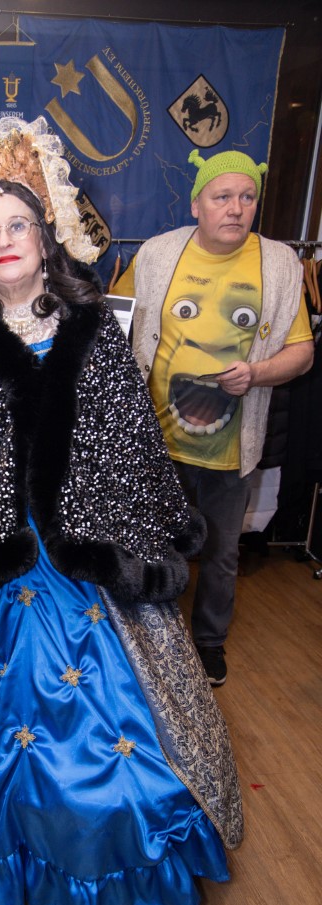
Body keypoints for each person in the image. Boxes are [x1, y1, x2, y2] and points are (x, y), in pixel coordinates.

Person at [0, 117, 243, 905]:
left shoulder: (94, 330)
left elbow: (130, 444)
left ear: (45, 240)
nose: (5, 239)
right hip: (12, 563)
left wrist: (144, 541)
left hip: (87, 553)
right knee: (17, 729)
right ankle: (44, 871)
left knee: (125, 731)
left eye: (18, 225)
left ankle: (127, 872)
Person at [114, 150, 313, 686]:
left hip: (231, 445)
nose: (236, 208)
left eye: (247, 197)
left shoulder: (280, 265)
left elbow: (303, 352)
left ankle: (208, 645)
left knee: (222, 553)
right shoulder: (157, 254)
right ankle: (147, 643)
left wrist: (258, 373)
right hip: (155, 439)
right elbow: (115, 320)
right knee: (148, 542)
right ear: (196, 204)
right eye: (222, 197)